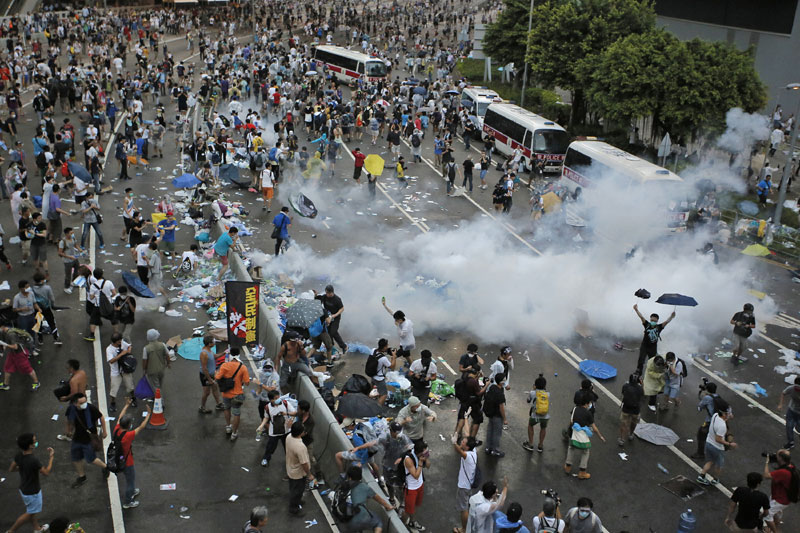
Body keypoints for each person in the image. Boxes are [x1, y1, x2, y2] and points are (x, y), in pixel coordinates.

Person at [8, 433, 54, 533]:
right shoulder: (34, 460)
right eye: (34, 441)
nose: (36, 442)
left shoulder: (19, 455)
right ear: (30, 445)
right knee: (30, 513)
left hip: (24, 489)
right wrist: (51, 457)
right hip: (33, 492)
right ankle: (11, 531)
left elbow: (11, 469)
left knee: (32, 510)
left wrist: (23, 468)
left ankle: (37, 528)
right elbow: (46, 472)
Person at [114, 397, 153, 509]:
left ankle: (131, 492)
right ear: (128, 426)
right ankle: (128, 501)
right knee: (130, 481)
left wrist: (126, 405)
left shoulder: (116, 429)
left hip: (120, 458)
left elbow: (120, 417)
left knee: (129, 478)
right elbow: (141, 427)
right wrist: (148, 415)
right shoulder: (128, 436)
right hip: (127, 461)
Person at [65, 392, 109, 488]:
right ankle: (82, 476)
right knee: (76, 458)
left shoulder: (91, 408)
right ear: (75, 403)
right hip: (77, 438)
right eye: (81, 403)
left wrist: (104, 431)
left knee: (91, 459)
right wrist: (68, 430)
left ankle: (105, 467)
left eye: (85, 401)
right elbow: (69, 420)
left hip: (89, 438)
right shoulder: (71, 409)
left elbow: (101, 417)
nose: (84, 404)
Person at [339, 465, 394, 533]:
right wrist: (388, 506)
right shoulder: (364, 487)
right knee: (378, 523)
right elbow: (380, 500)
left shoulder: (343, 486)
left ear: (349, 477)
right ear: (360, 476)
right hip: (361, 518)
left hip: (346, 520)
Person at [564, 393, 606, 480]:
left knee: (571, 448)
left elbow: (571, 422)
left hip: (574, 436)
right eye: (589, 403)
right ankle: (582, 472)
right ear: (587, 403)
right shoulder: (588, 414)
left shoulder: (575, 409)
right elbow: (594, 428)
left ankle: (568, 467)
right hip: (583, 438)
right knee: (585, 452)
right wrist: (600, 436)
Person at [697, 404, 737, 485]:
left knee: (710, 461)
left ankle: (701, 476)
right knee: (719, 465)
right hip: (717, 448)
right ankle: (715, 479)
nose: (729, 415)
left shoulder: (715, 415)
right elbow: (718, 439)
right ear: (724, 414)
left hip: (708, 443)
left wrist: (729, 417)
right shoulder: (722, 426)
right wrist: (729, 444)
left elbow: (724, 420)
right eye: (728, 413)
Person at [216, 348, 251, 441]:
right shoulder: (242, 367)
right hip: (237, 395)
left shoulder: (224, 365)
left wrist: (216, 373)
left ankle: (228, 426)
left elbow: (218, 377)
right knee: (236, 413)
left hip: (226, 393)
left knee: (226, 409)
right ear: (239, 355)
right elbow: (247, 382)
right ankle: (234, 433)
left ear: (230, 354)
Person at [633, 303, 675, 373]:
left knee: (653, 361)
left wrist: (672, 316)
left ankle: (651, 372)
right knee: (641, 360)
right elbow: (641, 317)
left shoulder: (659, 327)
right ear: (650, 319)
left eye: (655, 321)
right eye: (652, 320)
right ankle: (638, 372)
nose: (653, 322)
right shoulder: (647, 325)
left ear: (657, 321)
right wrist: (636, 310)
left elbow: (667, 322)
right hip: (644, 346)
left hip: (653, 347)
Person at [286, 421, 314, 516]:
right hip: (298, 473)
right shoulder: (300, 447)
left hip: (290, 468)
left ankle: (297, 501)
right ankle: (294, 508)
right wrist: (309, 474)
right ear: (300, 433)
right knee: (297, 491)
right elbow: (304, 463)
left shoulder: (289, 437)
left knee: (294, 488)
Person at [0, 324, 40, 391]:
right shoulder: (6, 332)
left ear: (3, 327)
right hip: (12, 354)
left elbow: (15, 347)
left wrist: (4, 344)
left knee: (28, 369)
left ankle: (37, 383)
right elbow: (7, 343)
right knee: (7, 368)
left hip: (19, 354)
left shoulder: (11, 334)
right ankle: (5, 385)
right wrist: (2, 351)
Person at [763, 449, 795, 532]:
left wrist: (767, 462)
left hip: (779, 499)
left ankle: (775, 531)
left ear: (781, 459)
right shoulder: (791, 466)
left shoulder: (783, 472)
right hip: (781, 496)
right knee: (776, 513)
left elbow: (766, 475)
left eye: (777, 456)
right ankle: (775, 527)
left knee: (767, 516)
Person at [452, 435, 479, 533]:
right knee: (466, 505)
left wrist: (454, 442)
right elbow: (467, 431)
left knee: (464, 509)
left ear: (467, 447)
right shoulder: (473, 451)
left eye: (463, 442)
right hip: (469, 485)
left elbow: (459, 451)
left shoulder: (467, 456)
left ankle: (464, 529)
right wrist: (466, 419)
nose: (462, 441)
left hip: (464, 487)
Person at [261, 389, 295, 467]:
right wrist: (261, 426)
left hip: (286, 430)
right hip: (274, 431)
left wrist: (291, 419)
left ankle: (290, 461)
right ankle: (266, 459)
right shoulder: (267, 407)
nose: (278, 399)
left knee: (288, 447)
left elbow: (294, 413)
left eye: (278, 397)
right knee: (270, 446)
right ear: (271, 400)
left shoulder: (286, 404)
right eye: (275, 398)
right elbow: (266, 418)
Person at [454, 365, 488, 442]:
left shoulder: (466, 375)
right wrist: (486, 385)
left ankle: (456, 435)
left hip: (464, 401)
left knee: (462, 418)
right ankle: (472, 439)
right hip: (473, 403)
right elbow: (479, 393)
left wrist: (478, 377)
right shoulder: (472, 381)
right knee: (477, 419)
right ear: (477, 372)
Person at [402, 440, 429, 531]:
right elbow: (416, 475)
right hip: (411, 488)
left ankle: (412, 522)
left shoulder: (421, 455)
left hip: (420, 485)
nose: (425, 453)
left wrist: (427, 457)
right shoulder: (408, 459)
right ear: (418, 453)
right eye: (424, 452)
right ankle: (401, 524)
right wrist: (421, 462)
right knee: (408, 510)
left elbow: (428, 466)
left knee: (415, 506)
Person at [106, 332, 135, 413]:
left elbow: (129, 345)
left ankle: (133, 398)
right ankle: (112, 403)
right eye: (119, 341)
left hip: (125, 370)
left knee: (130, 386)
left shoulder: (122, 343)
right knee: (114, 389)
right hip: (116, 372)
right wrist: (121, 354)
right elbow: (111, 361)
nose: (121, 342)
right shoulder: (109, 349)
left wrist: (129, 350)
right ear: (115, 342)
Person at [314, 284, 347, 354]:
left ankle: (343, 346)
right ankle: (333, 347)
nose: (327, 294)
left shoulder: (337, 299)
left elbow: (342, 308)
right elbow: (317, 299)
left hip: (335, 318)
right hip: (328, 317)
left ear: (332, 292)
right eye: (326, 293)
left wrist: (335, 315)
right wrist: (315, 294)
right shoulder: (325, 297)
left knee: (333, 332)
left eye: (328, 293)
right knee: (330, 333)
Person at [382, 299, 415, 365]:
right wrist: (385, 305)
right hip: (405, 343)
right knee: (407, 356)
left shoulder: (406, 325)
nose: (395, 321)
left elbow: (402, 335)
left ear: (400, 319)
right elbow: (391, 312)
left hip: (407, 344)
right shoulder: (402, 318)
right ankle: (412, 367)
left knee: (393, 357)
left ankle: (391, 371)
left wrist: (397, 326)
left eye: (396, 320)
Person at [483, 374, 508, 457]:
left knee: (490, 430)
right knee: (497, 433)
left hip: (490, 413)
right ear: (501, 382)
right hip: (497, 415)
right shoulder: (500, 393)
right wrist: (504, 419)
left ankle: (488, 447)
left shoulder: (492, 387)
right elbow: (501, 407)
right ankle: (495, 450)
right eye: (504, 380)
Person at [523, 374, 550, 453]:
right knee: (543, 428)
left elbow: (528, 401)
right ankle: (540, 445)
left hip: (535, 415)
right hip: (545, 416)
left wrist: (533, 390)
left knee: (530, 426)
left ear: (535, 385)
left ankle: (531, 444)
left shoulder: (532, 393)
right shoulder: (548, 394)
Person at [198, 334, 223, 414]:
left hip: (212, 374)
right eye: (213, 342)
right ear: (209, 344)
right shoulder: (204, 353)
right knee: (206, 392)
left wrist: (224, 353)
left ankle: (219, 404)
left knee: (215, 389)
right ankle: (202, 407)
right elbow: (204, 368)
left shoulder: (209, 350)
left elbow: (214, 356)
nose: (215, 343)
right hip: (206, 376)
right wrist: (209, 379)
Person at [368, 339, 396, 405]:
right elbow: (392, 367)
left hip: (372, 374)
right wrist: (394, 357)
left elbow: (378, 354)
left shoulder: (373, 350)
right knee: (384, 395)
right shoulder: (383, 359)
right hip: (379, 379)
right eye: (387, 345)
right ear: (384, 347)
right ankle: (377, 410)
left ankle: (366, 400)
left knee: (370, 388)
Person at [618, 373, 643, 446]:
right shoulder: (640, 388)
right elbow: (642, 395)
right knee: (634, 422)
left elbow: (623, 393)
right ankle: (631, 434)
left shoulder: (625, 386)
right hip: (636, 410)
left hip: (626, 408)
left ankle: (622, 439)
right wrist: (642, 384)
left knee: (624, 424)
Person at [779, 376, 800, 449]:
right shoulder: (792, 388)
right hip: (791, 410)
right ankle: (791, 442)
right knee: (789, 426)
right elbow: (783, 393)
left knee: (798, 428)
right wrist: (781, 404)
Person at [58, 227, 80, 294]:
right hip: (67, 261)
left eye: (73, 232)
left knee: (77, 270)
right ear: (67, 234)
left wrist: (80, 249)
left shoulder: (73, 238)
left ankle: (74, 282)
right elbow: (60, 252)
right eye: (71, 233)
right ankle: (66, 287)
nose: (73, 234)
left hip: (75, 258)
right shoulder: (62, 242)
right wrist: (69, 256)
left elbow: (75, 245)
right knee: (68, 275)